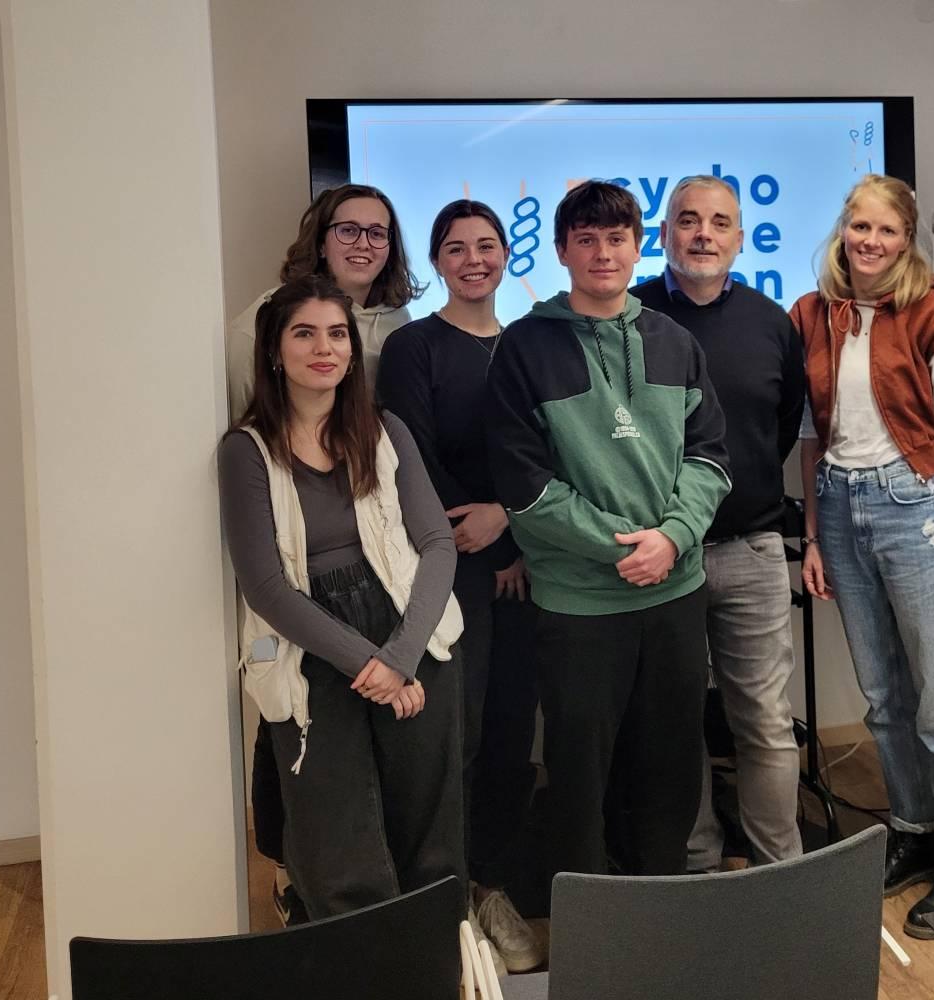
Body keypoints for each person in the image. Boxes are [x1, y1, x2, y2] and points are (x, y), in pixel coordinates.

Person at [486, 180, 731, 883]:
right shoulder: (524, 349)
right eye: (586, 239)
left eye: (616, 238)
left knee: (670, 770)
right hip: (580, 606)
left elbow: (711, 454)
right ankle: (590, 934)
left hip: (674, 595)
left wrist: (672, 540)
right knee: (578, 782)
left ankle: (659, 915)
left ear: (637, 245)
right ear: (561, 250)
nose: (602, 253)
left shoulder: (673, 341)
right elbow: (524, 487)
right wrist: (623, 549)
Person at [217, 275, 464, 921]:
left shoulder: (384, 431)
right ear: (275, 350)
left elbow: (437, 542)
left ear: (353, 350)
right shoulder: (245, 450)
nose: (323, 348)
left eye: (336, 334)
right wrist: (369, 666)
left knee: (427, 838)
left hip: (410, 628)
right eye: (304, 333)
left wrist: (402, 657)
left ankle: (431, 970)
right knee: (337, 846)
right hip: (314, 646)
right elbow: (266, 586)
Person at [794, 174, 934, 938]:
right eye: (857, 227)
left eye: (884, 231)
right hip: (840, 509)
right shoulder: (814, 314)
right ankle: (913, 831)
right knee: (883, 698)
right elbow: (811, 439)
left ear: (905, 241)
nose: (868, 242)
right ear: (841, 230)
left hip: (914, 510)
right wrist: (813, 533)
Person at [376, 200, 543, 972]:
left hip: (529, 562)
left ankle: (493, 884)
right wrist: (477, 534)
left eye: (486, 245)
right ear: (437, 262)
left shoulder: (532, 342)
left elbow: (548, 452)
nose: (472, 258)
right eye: (454, 247)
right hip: (447, 567)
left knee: (513, 737)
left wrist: (510, 525)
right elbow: (408, 457)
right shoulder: (414, 346)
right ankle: (443, 900)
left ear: (508, 253)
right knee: (459, 737)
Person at [632, 176, 806, 871]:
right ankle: (698, 864)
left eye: (718, 222)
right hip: (658, 558)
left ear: (740, 238)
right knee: (673, 727)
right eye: (687, 220)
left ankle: (781, 871)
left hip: (751, 549)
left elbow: (779, 429)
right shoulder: (628, 314)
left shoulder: (772, 322)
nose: (702, 233)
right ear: (664, 232)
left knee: (763, 724)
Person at [227, 183, 422, 417]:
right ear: (321, 244)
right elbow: (243, 413)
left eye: (377, 233)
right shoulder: (266, 317)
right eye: (348, 230)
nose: (363, 244)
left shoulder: (399, 320)